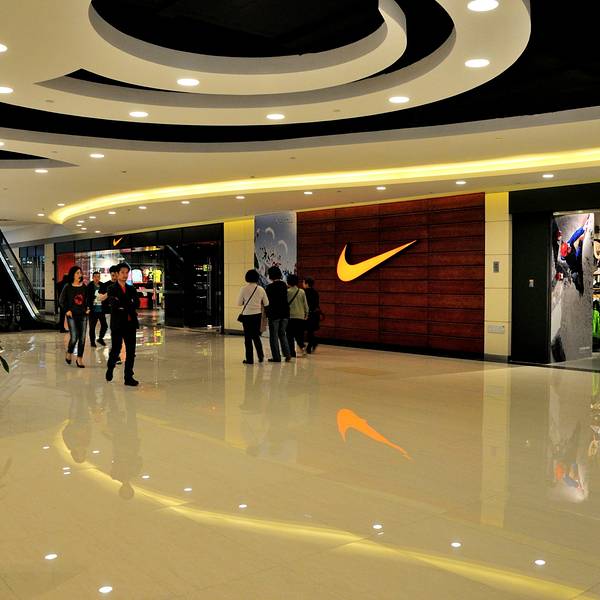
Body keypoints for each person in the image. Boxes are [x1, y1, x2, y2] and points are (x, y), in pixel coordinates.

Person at [105, 263, 140, 387]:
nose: (125, 275)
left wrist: (123, 303)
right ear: (117, 274)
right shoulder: (112, 288)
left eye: (126, 273)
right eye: (122, 272)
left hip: (131, 323)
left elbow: (137, 303)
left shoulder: (131, 289)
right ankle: (110, 368)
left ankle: (128, 377)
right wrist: (129, 303)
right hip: (118, 324)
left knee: (131, 351)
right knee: (116, 349)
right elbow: (114, 304)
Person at [59, 265, 89, 368]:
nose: (79, 275)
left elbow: (88, 299)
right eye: (77, 273)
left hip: (83, 315)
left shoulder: (84, 287)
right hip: (72, 315)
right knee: (74, 337)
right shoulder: (67, 286)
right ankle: (69, 352)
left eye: (80, 273)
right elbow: (61, 301)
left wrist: (88, 308)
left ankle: (79, 359)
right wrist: (67, 310)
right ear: (73, 275)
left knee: (82, 338)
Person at [237, 269, 269, 365]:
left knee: (247, 338)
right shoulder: (261, 289)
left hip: (247, 315)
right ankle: (260, 356)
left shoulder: (243, 289)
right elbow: (266, 303)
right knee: (256, 336)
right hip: (257, 315)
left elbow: (239, 303)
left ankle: (249, 359)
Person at [265, 266, 291, 363]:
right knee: (282, 334)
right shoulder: (284, 285)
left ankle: (276, 357)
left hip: (274, 314)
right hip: (285, 313)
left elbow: (267, 302)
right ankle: (287, 354)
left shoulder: (269, 287)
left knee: (274, 336)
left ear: (271, 275)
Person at [286, 274, 309, 358]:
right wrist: (306, 314)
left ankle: (292, 353)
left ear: (288, 282)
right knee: (299, 334)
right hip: (300, 317)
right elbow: (305, 304)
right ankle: (302, 347)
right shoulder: (302, 291)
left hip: (290, 317)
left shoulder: (287, 292)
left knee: (289, 335)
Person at [86, 271, 108, 347]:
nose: (97, 278)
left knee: (105, 326)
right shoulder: (89, 286)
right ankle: (92, 342)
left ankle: (100, 338)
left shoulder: (103, 285)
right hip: (93, 310)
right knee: (92, 327)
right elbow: (87, 298)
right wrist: (88, 307)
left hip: (101, 309)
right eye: (95, 277)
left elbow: (106, 296)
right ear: (92, 277)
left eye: (98, 277)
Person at [303, 276, 320, 354]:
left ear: (307, 284)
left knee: (308, 331)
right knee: (310, 331)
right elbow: (316, 303)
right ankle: (312, 344)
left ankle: (310, 346)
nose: (303, 284)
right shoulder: (315, 292)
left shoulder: (304, 292)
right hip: (314, 314)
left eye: (303, 282)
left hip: (307, 314)